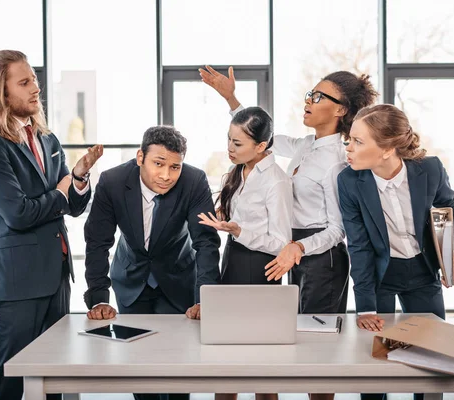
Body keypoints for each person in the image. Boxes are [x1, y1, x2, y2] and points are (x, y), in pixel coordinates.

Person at [0, 47, 102, 400]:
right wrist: (60, 190)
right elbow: (18, 213)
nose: (35, 88)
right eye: (24, 82)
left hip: (56, 277)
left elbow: (72, 206)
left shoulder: (47, 139)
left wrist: (79, 178)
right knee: (6, 384)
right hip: (14, 285)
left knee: (53, 379)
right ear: (1, 91)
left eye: (35, 80)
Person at [199, 66, 377, 318]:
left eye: (318, 97)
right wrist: (231, 99)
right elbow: (258, 137)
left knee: (315, 343)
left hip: (321, 260)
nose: (309, 101)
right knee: (294, 334)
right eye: (310, 94)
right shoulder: (305, 145)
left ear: (340, 109)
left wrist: (300, 248)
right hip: (293, 252)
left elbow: (338, 230)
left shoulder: (337, 160)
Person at [83, 125, 221, 400]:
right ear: (140, 157)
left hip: (178, 279)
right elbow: (98, 241)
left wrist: (206, 298)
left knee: (178, 370)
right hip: (131, 279)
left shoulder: (194, 181)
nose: (166, 175)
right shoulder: (112, 182)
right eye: (158, 164)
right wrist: (99, 297)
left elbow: (205, 242)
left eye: (175, 167)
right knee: (138, 366)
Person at [337, 104, 454, 400]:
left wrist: (451, 251)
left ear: (387, 149)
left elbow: (448, 208)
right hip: (380, 274)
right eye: (349, 140)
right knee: (375, 363)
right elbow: (359, 245)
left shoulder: (429, 168)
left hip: (422, 269)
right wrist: (365, 304)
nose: (348, 148)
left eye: (358, 141)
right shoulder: (349, 182)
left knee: (431, 359)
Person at [196, 106, 292, 400]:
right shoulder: (240, 170)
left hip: (260, 270)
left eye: (237, 144)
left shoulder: (276, 180)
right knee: (224, 365)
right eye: (228, 140)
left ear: (261, 146)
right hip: (234, 261)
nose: (229, 148)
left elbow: (281, 243)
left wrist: (239, 231)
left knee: (263, 368)